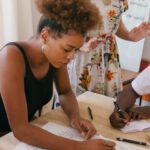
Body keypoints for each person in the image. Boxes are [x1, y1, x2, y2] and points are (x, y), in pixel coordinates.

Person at [0, 0, 116, 149]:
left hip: (23, 134)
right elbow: (20, 129)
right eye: (68, 49)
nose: (72, 56)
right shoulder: (11, 57)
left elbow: (65, 92)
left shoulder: (54, 57)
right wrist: (80, 147)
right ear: (45, 35)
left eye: (76, 50)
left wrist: (75, 118)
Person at [67, 0, 150, 98]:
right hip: (82, 56)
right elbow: (62, 25)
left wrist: (130, 36)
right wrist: (81, 45)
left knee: (107, 106)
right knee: (79, 103)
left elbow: (114, 21)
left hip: (109, 57)